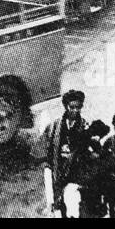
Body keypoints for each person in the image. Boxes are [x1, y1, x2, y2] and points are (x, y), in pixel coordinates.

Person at [41, 89, 89, 217]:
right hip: (57, 170)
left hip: (74, 174)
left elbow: (87, 155)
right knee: (55, 207)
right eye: (72, 107)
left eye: (78, 107)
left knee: (72, 204)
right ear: (66, 107)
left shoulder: (85, 127)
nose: (75, 110)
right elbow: (47, 150)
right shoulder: (55, 126)